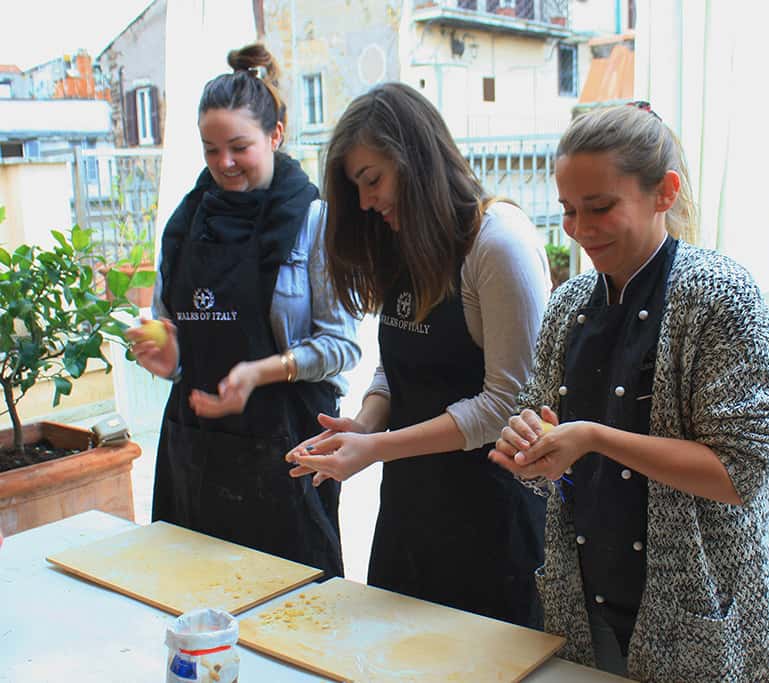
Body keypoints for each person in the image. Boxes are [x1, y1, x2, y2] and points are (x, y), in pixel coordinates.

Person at [490, 103, 769, 681]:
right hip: (581, 606)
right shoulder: (567, 305)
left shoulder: (721, 297)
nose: (579, 229)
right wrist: (525, 446)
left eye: (601, 207)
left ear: (664, 193)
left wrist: (596, 438)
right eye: (569, 211)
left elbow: (739, 475)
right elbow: (542, 458)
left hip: (698, 621)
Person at [284, 82, 549, 627]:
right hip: (410, 509)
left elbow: (507, 405)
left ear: (417, 158)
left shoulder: (497, 244)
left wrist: (378, 447)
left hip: (491, 516)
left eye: (373, 180)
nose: (365, 202)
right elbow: (397, 361)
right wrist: (367, 422)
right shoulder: (407, 239)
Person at [127, 44, 360, 577]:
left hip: (289, 444)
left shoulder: (313, 220)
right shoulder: (186, 224)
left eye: (239, 147)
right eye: (210, 150)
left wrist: (261, 372)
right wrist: (168, 360)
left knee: (293, 608)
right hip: (198, 447)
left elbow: (343, 345)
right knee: (197, 595)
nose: (223, 164)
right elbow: (174, 335)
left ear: (275, 134)